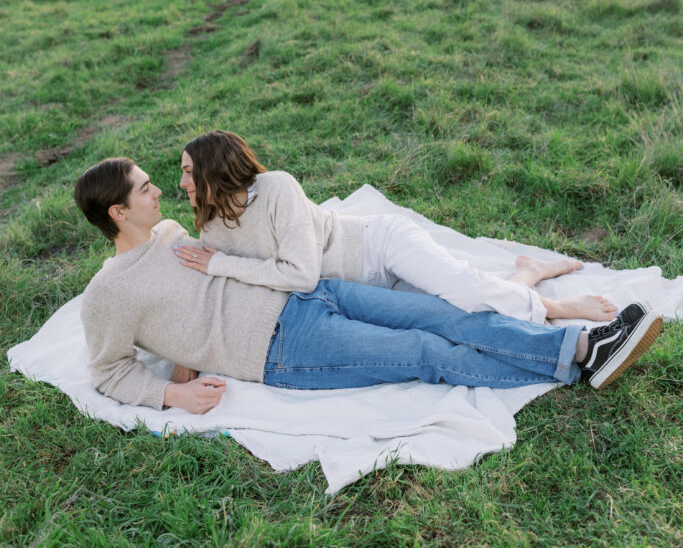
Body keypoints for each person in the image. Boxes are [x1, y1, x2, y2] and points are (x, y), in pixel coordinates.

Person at [74, 156, 663, 414]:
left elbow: (191, 302)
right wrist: (172, 394)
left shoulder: (172, 232)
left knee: (444, 314)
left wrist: (181, 357)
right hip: (281, 351)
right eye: (145, 188)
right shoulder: (108, 293)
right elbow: (108, 370)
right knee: (427, 353)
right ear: (118, 214)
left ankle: (590, 346)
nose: (158, 191)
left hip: (311, 293)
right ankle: (577, 363)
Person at [175, 131, 618, 325]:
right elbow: (222, 280)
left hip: (378, 246)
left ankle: (561, 309)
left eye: (190, 172)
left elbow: (300, 275)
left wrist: (222, 267)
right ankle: (529, 273)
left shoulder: (276, 188)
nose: (182, 183)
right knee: (462, 310)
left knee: (466, 289)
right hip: (358, 291)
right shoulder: (211, 231)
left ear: (217, 170)